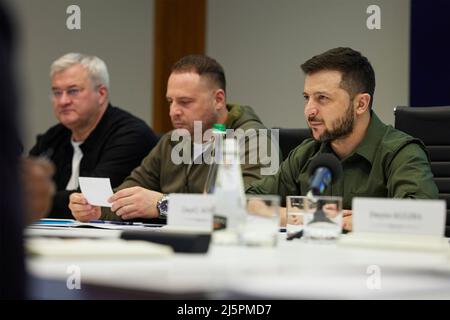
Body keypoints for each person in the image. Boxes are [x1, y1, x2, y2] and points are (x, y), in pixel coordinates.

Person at [246, 47, 438, 231]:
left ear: (361, 104)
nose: (309, 111)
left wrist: (363, 220)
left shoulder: (401, 153)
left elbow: (423, 217)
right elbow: (247, 202)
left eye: (322, 98)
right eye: (307, 97)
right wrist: (307, 214)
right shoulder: (306, 154)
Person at [69, 54, 278, 222]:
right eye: (170, 101)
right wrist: (97, 209)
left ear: (218, 99)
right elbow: (129, 193)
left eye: (185, 102)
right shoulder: (172, 141)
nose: (173, 112)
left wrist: (163, 204)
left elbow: (247, 209)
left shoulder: (254, 140)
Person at [29, 53, 159, 219]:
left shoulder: (131, 135)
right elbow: (22, 189)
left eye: (73, 91)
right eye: (57, 92)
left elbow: (92, 199)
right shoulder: (53, 137)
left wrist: (37, 200)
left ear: (101, 94)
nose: (63, 101)